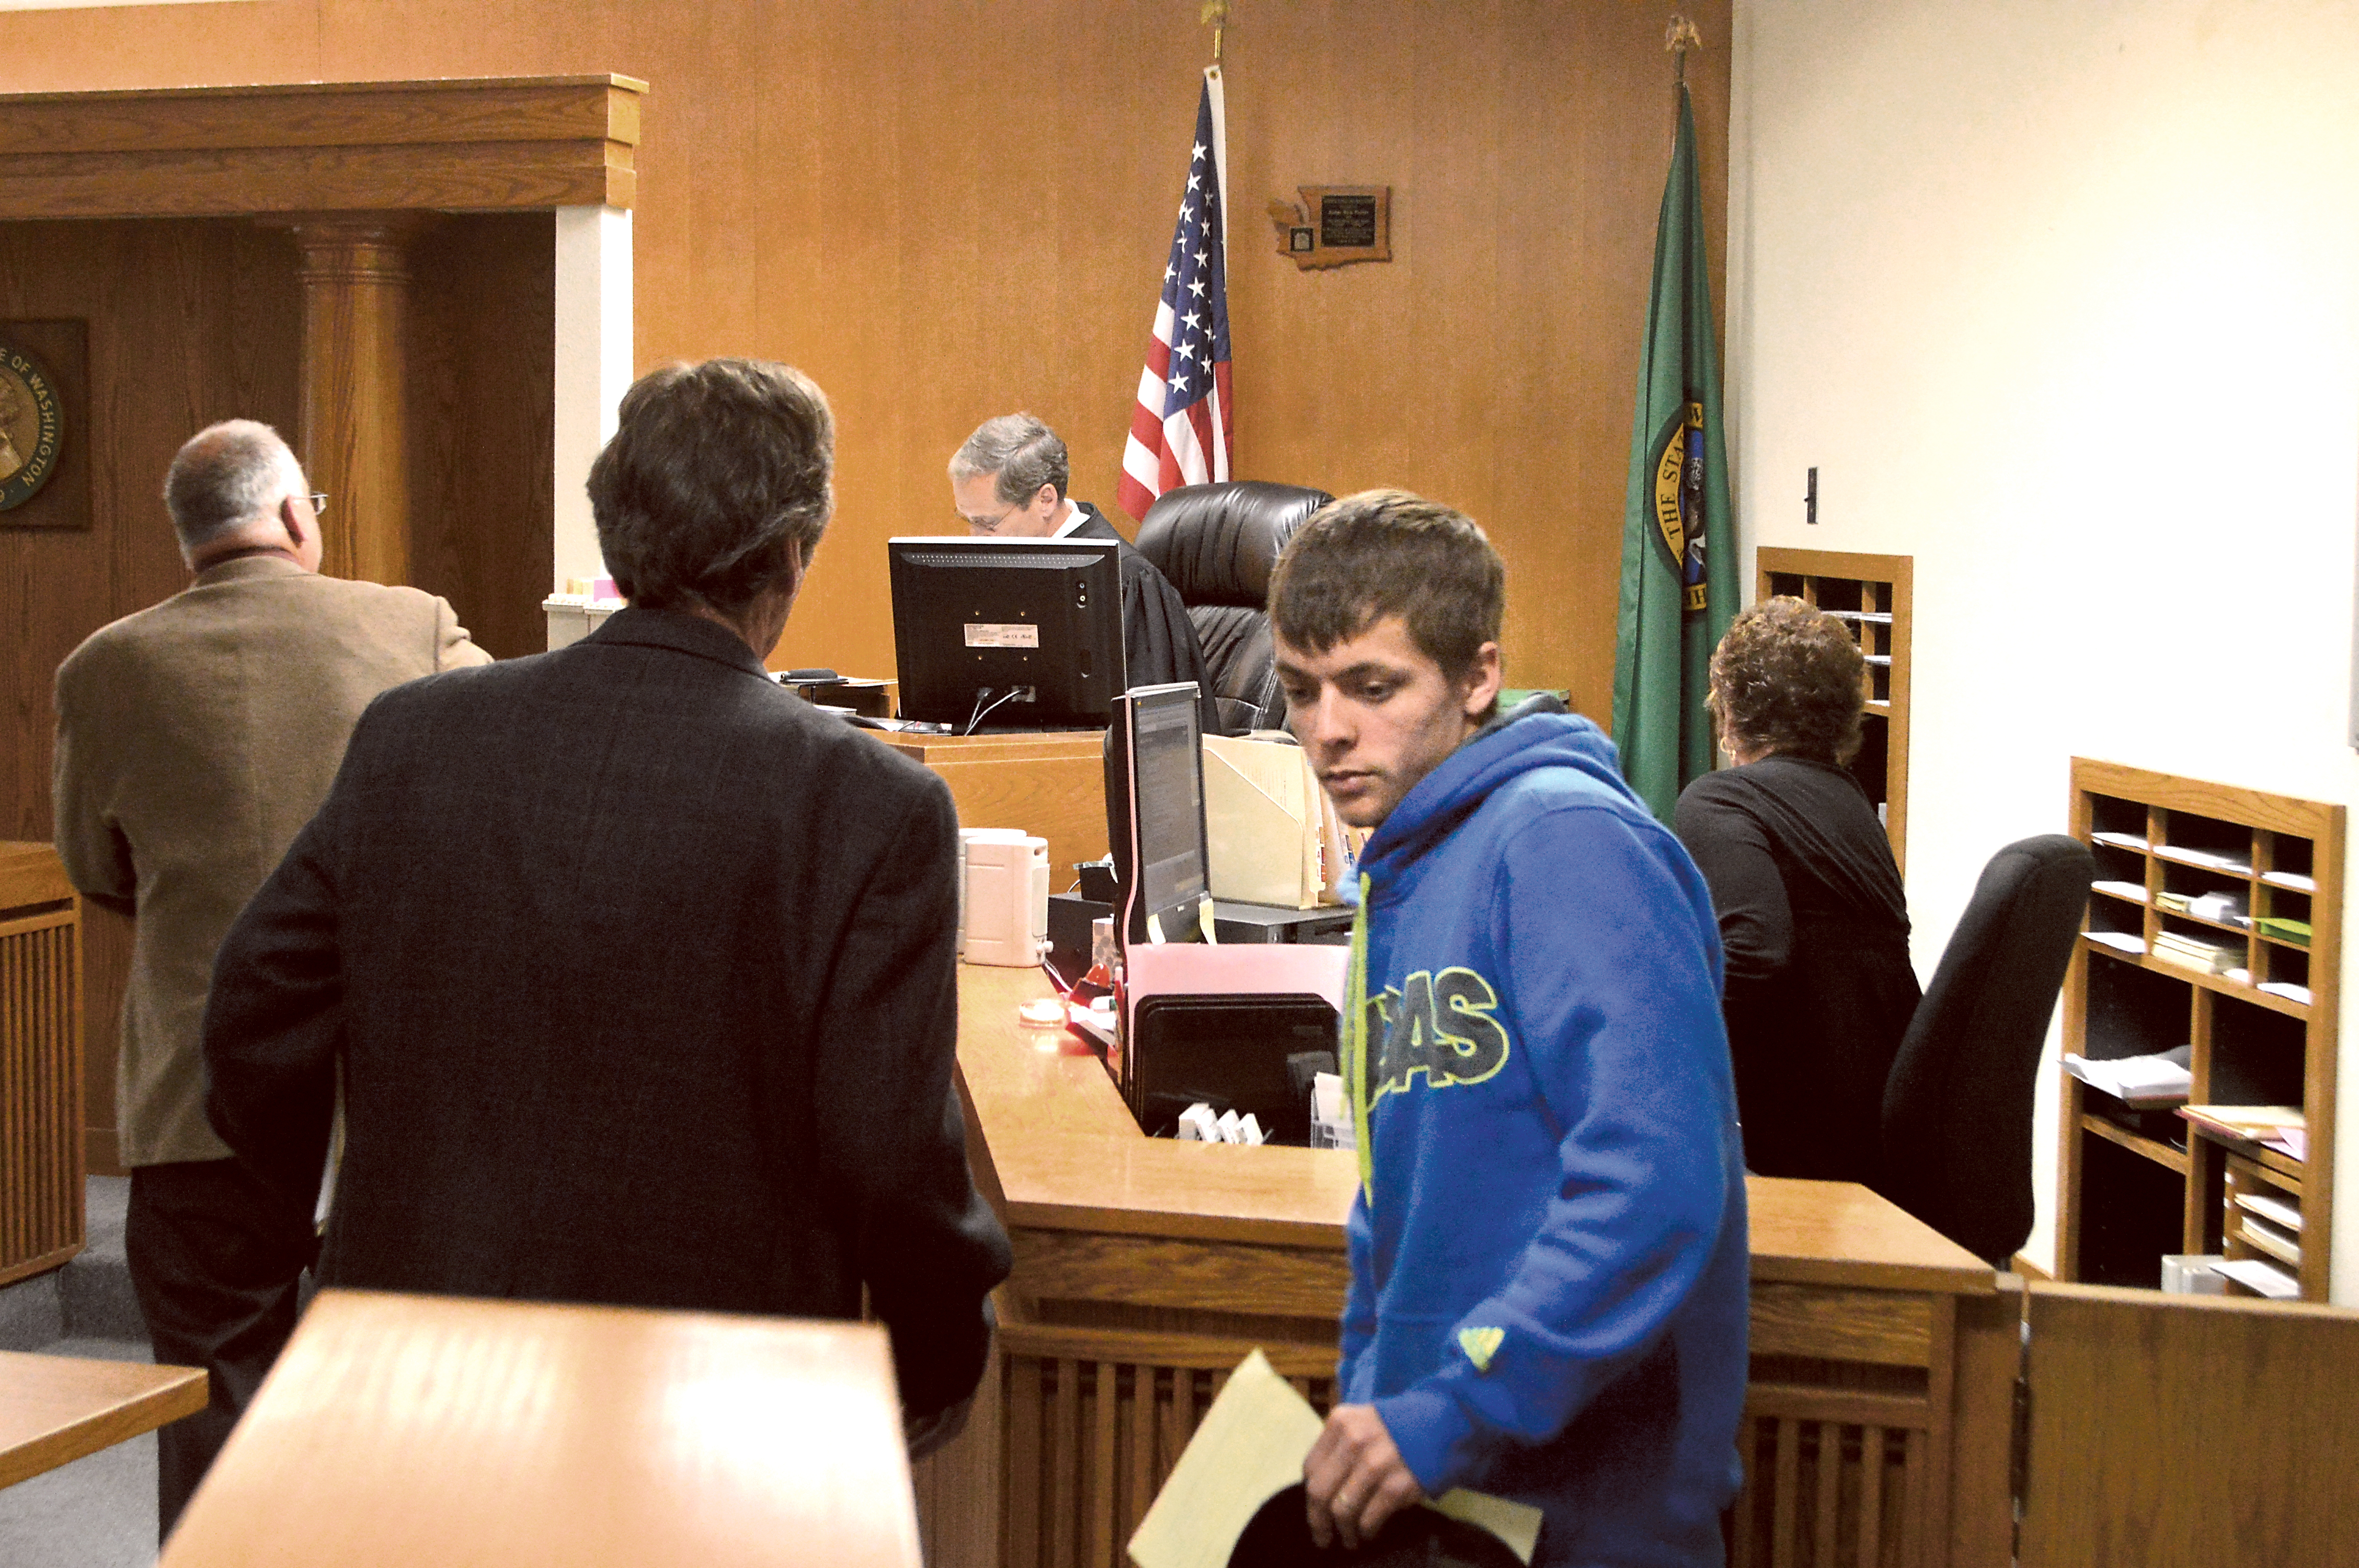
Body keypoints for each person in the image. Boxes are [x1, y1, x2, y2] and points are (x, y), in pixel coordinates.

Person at [201, 360, 1013, 1452]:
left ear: (617, 534)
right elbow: (889, 1152)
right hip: (715, 1413)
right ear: (791, 554)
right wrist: (935, 1361)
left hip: (410, 1373)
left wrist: (303, 1260)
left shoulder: (412, 738)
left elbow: (253, 1019)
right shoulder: (871, 806)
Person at [1268, 490, 1748, 1567]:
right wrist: (1377, 1397)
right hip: (1450, 1495)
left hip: (1591, 1519)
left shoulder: (1567, 840)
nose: (1328, 729)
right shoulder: (1407, 862)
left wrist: (1457, 1407)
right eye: (1301, 691)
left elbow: (1654, 1180)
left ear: (1478, 677)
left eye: (1373, 688)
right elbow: (1395, 1191)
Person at [51, 418, 489, 1538]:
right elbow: (500, 799)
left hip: (195, 1086)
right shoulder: (411, 624)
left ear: (188, 535)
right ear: (297, 516)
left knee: (213, 1395)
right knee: (394, 1403)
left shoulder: (102, 670)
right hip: (382, 1092)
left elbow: (94, 868)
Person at [1674, 596, 1919, 1182]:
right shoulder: (1850, 802)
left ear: (1729, 713)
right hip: (1887, 1138)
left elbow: (1755, 952)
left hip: (1801, 1152)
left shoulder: (1720, 799)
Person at [948, 412, 1221, 734]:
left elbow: (1151, 730)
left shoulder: (1124, 581)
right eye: (969, 521)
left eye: (987, 524)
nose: (975, 537)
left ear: (1045, 500)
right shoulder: (1004, 567)